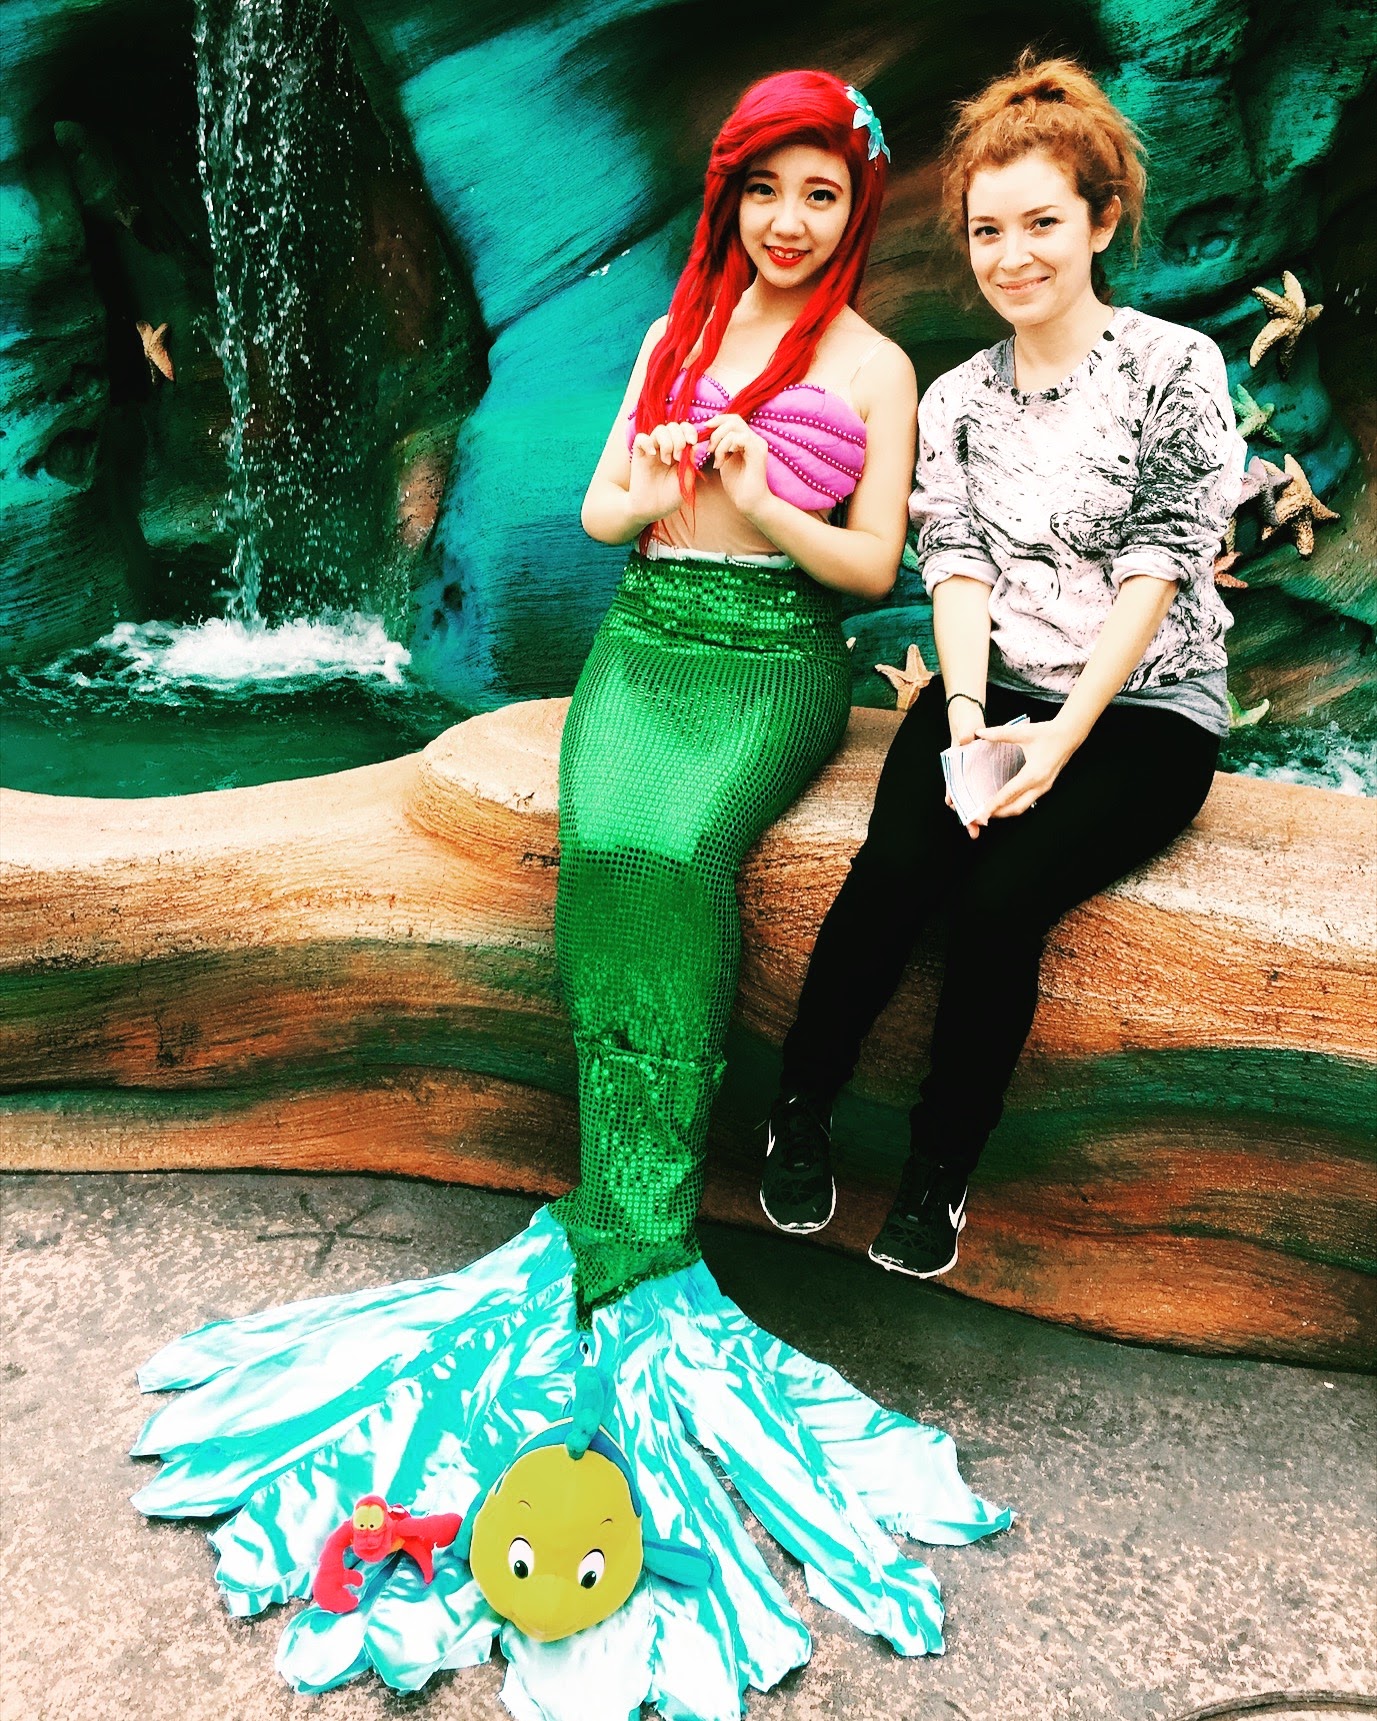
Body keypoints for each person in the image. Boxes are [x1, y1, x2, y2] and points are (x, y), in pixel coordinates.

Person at [130, 72, 1009, 1719]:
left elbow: (871, 567)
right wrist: (670, 465)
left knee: (676, 853)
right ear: (729, 196)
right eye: (766, 189)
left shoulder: (876, 366)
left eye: (820, 193)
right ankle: (621, 1218)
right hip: (645, 643)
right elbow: (606, 514)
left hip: (770, 660)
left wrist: (759, 493)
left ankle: (639, 1233)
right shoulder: (675, 332)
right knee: (606, 850)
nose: (790, 220)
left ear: (854, 207)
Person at [760, 52, 1245, 1283]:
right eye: (988, 230)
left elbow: (1161, 562)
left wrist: (1059, 742)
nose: (1012, 255)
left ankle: (939, 1171)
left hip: (1143, 711)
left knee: (999, 899)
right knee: (895, 868)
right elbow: (959, 561)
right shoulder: (960, 398)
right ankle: (799, 1106)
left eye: (1041, 223)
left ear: (1101, 222)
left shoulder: (1175, 367)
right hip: (996, 684)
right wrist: (971, 719)